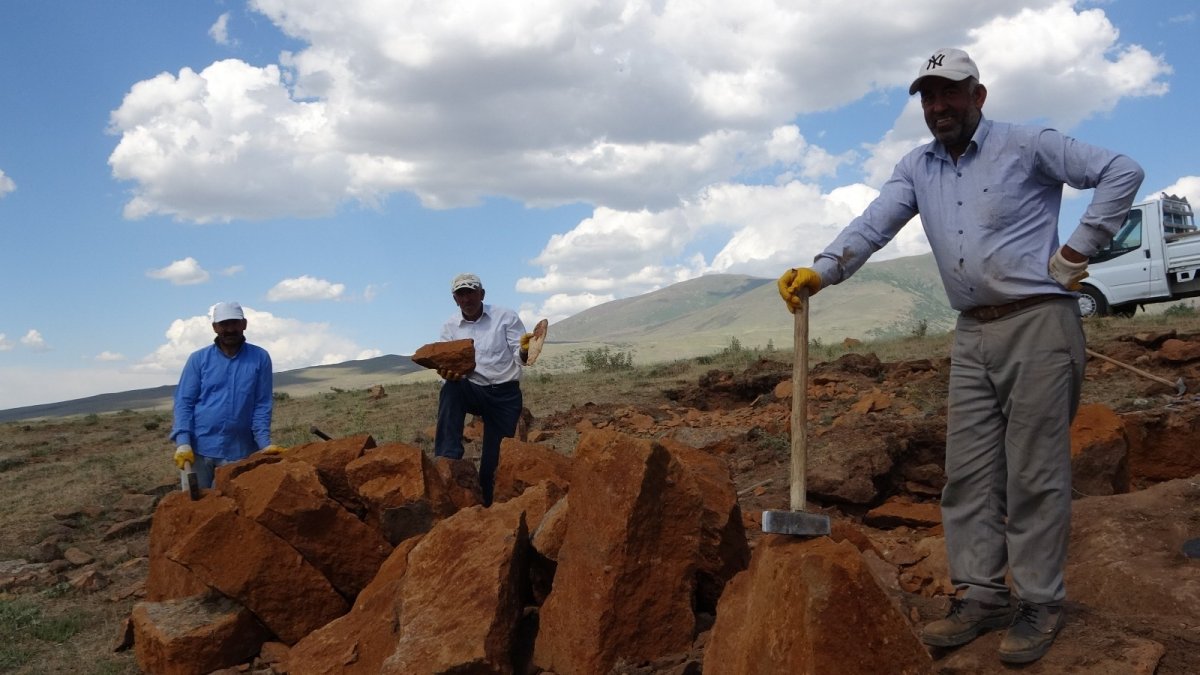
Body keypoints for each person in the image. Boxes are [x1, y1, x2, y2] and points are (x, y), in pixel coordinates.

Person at [777, 48, 1143, 664]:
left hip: (1039, 323)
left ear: (979, 94)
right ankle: (980, 595)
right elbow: (874, 224)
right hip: (972, 331)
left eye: (950, 93)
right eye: (928, 97)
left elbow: (1121, 170)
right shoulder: (917, 167)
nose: (938, 107)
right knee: (967, 473)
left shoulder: (1029, 144)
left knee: (1033, 473)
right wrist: (821, 271)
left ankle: (1038, 602)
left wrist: (1080, 250)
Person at [434, 273, 532, 507]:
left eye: (471, 292)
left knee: (493, 465)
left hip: (505, 395)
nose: (467, 298)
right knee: (451, 388)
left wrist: (527, 349)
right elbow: (446, 362)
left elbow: (521, 354)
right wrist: (446, 371)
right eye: (461, 294)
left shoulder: (505, 316)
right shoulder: (450, 327)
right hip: (474, 389)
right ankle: (448, 458)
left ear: (482, 294)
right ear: (455, 299)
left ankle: (487, 510)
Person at [170, 302, 282, 489]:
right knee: (196, 509)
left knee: (231, 509)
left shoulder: (260, 357)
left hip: (240, 452)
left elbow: (262, 404)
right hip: (199, 451)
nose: (230, 329)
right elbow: (184, 402)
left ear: (244, 324)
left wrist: (264, 443)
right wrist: (183, 442)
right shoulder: (198, 359)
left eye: (234, 323)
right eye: (224, 324)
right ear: (215, 327)